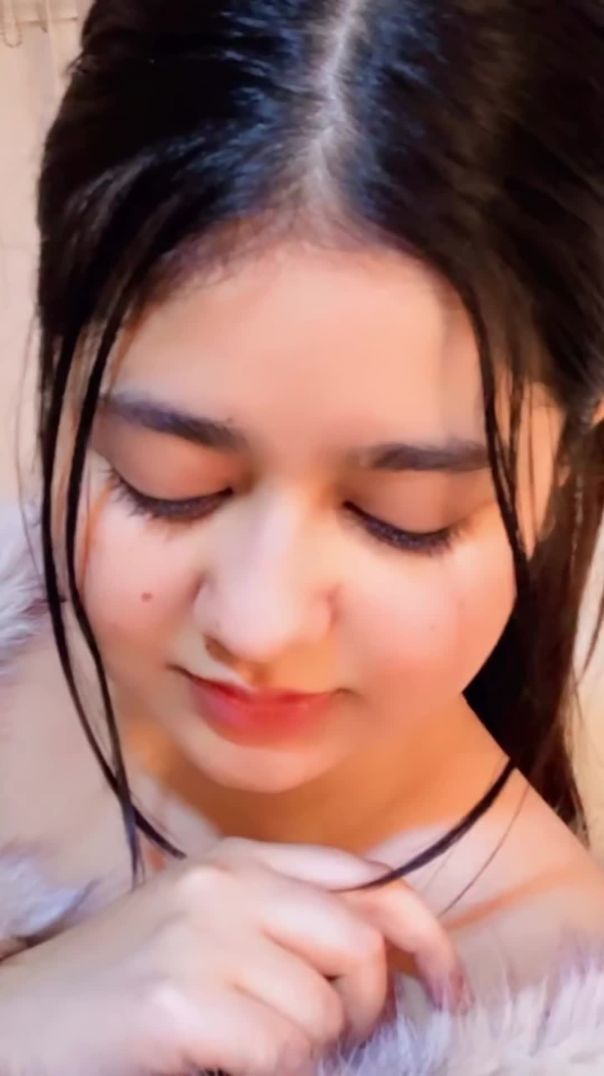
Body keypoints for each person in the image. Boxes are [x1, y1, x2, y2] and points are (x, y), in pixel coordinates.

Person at [0, 0, 603, 1071]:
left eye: (403, 520)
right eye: (166, 484)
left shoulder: (549, 1027)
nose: (260, 623)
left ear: (567, 460)